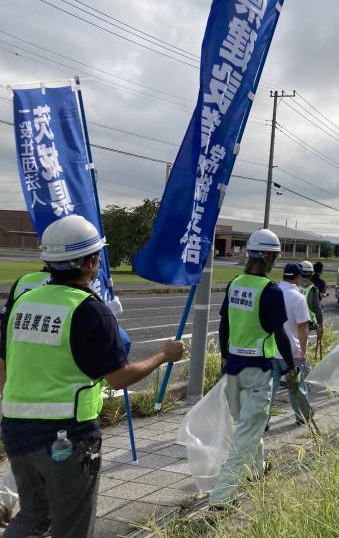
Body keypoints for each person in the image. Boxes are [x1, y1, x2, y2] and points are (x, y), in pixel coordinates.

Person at [0, 215, 184, 538]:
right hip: (67, 436)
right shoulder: (90, 311)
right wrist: (162, 355)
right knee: (72, 528)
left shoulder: (21, 303)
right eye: (96, 255)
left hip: (15, 430)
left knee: (32, 517)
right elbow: (119, 378)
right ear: (89, 261)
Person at [211, 228, 297, 507]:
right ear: (272, 257)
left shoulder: (235, 283)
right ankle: (222, 498)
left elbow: (224, 324)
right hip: (258, 371)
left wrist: (224, 355)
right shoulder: (269, 290)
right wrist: (291, 367)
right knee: (247, 433)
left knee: (248, 425)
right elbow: (280, 334)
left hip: (233, 367)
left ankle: (257, 472)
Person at [275, 263, 313, 427]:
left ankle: (263, 420)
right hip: (291, 350)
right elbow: (303, 328)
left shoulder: (272, 291)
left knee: (269, 388)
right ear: (297, 278)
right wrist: (303, 351)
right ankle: (303, 415)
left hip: (270, 349)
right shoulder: (298, 297)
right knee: (296, 387)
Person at [299, 260, 325, 354]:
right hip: (306, 323)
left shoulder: (294, 286)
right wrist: (320, 325)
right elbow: (317, 308)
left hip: (291, 321)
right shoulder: (313, 289)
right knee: (302, 349)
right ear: (311, 274)